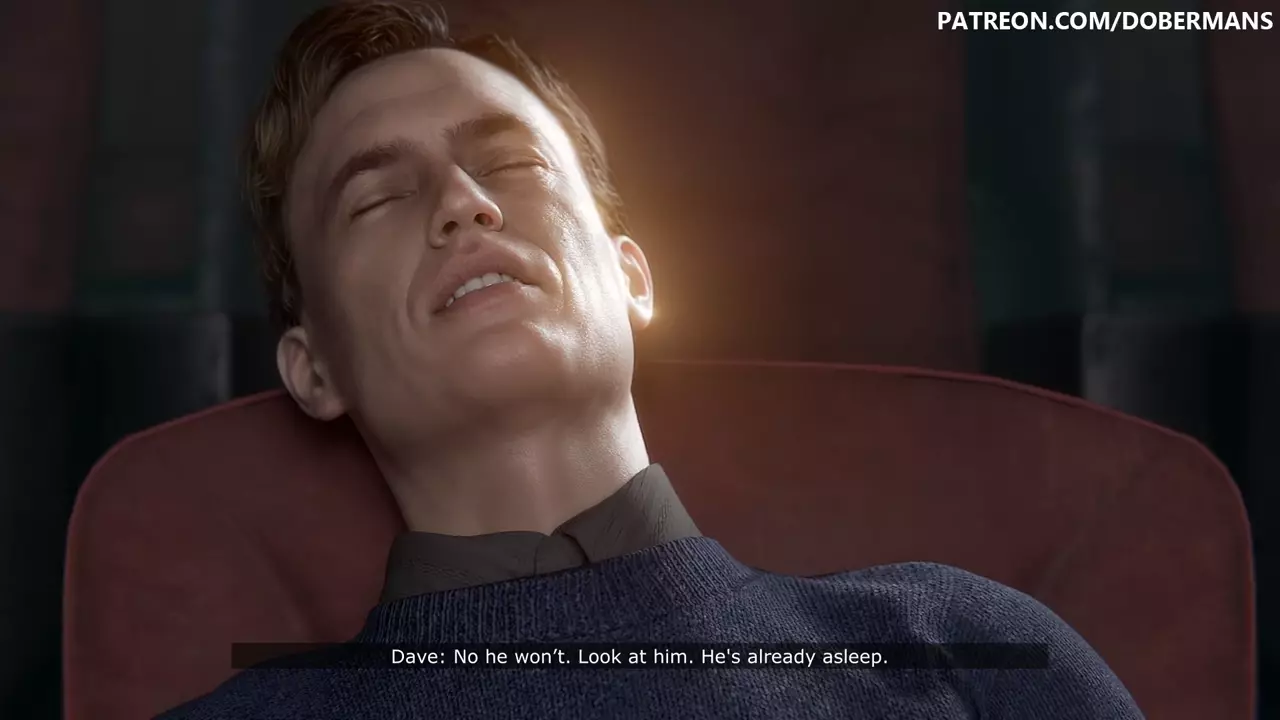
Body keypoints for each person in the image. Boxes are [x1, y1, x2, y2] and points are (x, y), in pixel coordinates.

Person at [160, 1, 1144, 717]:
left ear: (633, 277)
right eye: (376, 198)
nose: (463, 203)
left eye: (512, 163)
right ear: (313, 369)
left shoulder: (965, 649)